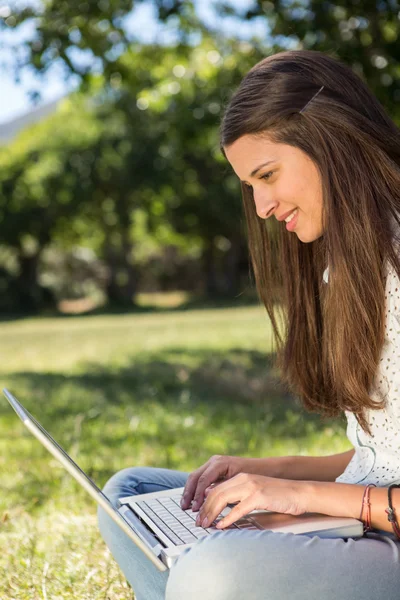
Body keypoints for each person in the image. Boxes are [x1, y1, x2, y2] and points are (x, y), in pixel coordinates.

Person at [97, 48, 400, 600]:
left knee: (214, 570)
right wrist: (268, 470)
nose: (261, 206)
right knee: (130, 495)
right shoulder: (348, 270)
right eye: (250, 186)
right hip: (362, 520)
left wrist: (299, 497)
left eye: (267, 175)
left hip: (387, 541)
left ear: (331, 141)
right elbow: (384, 457)